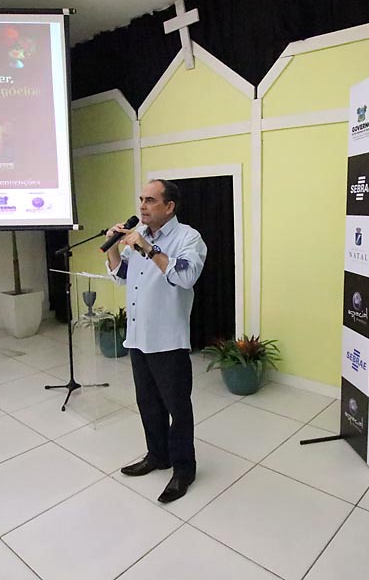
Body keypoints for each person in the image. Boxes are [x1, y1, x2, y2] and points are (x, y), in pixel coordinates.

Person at [105, 179, 207, 503]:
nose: (142, 206)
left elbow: (185, 277)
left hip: (168, 341)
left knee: (178, 409)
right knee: (147, 403)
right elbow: (122, 276)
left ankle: (183, 469)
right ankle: (157, 455)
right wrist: (112, 247)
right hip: (138, 338)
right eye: (141, 199)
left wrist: (148, 249)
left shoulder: (188, 238)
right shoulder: (138, 236)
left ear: (169, 206)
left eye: (150, 200)